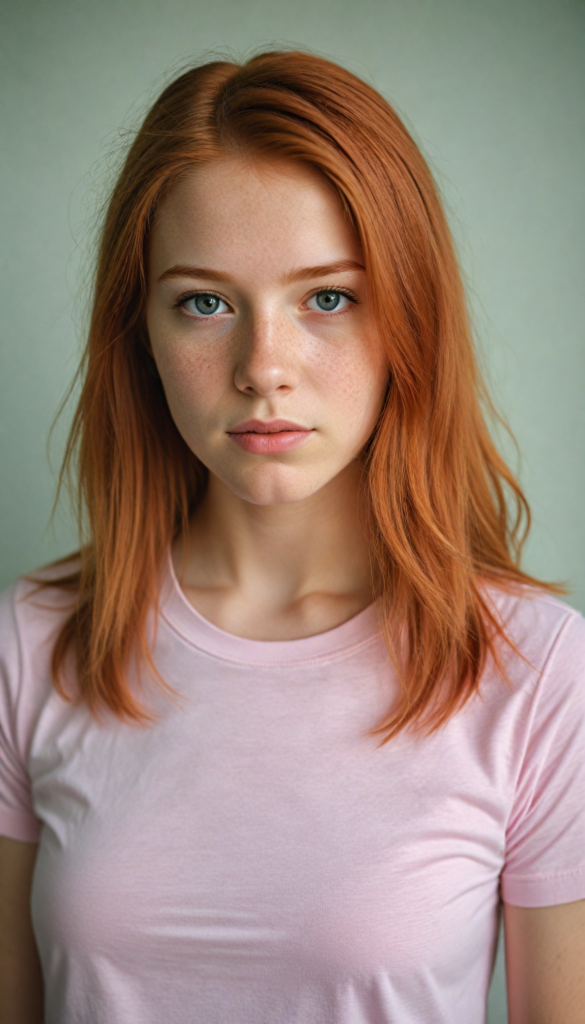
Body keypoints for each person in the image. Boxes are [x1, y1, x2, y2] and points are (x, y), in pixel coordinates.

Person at [0, 49, 583, 1024]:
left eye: (327, 298)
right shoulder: (32, 644)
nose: (263, 368)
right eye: (205, 303)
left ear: (410, 319)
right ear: (138, 332)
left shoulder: (538, 669)